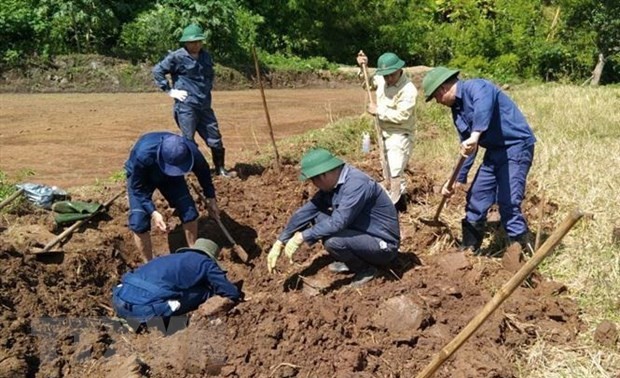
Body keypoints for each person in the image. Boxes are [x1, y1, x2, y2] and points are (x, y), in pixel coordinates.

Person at [422, 67, 536, 253]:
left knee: (508, 202)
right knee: (476, 197)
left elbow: (484, 108)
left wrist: (475, 135)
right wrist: (457, 178)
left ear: (442, 89)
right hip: (494, 152)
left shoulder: (477, 87)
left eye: (436, 97)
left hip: (516, 147)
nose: (438, 102)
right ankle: (469, 249)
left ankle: (522, 254)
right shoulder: (457, 110)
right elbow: (467, 147)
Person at [266, 148, 400, 287]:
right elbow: (307, 211)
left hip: (383, 245)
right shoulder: (334, 185)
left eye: (313, 180)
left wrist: (302, 236)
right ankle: (353, 260)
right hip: (361, 234)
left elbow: (339, 222)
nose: (314, 184)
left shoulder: (356, 184)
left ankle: (365, 269)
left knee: (333, 241)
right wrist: (281, 241)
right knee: (318, 217)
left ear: (322, 175)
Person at [125, 131, 220, 261]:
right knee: (139, 221)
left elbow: (203, 171)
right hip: (143, 179)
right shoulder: (143, 155)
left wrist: (211, 198)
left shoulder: (190, 150)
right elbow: (137, 189)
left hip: (170, 179)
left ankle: (193, 252)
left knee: (189, 211)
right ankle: (149, 264)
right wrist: (153, 212)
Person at [152, 23, 231, 177]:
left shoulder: (206, 56)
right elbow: (157, 71)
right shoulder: (177, 57)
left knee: (214, 137)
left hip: (205, 105)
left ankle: (220, 169)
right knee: (188, 140)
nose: (196, 45)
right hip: (186, 106)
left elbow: (209, 76)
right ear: (186, 43)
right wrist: (170, 91)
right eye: (193, 42)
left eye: (199, 41)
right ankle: (191, 172)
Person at [112, 238, 243, 330]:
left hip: (120, 300)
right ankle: (150, 323)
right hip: (143, 310)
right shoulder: (205, 263)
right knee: (206, 292)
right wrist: (237, 295)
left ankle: (130, 319)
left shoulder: (171, 259)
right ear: (210, 256)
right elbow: (229, 291)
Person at [356, 51, 418, 204]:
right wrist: (362, 68)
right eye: (386, 76)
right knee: (387, 168)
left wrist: (378, 111)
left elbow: (402, 116)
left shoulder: (408, 89)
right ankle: (401, 199)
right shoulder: (382, 79)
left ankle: (393, 203)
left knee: (396, 169)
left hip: (400, 133)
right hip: (383, 131)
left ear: (399, 70)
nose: (389, 79)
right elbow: (368, 84)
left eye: (392, 75)